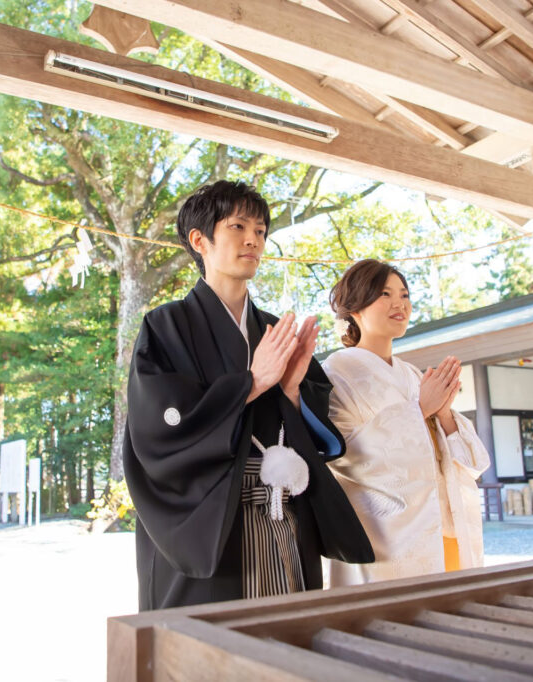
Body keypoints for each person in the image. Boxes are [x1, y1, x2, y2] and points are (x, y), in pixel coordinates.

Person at [123, 181, 373, 611]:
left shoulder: (274, 330)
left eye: (259, 230)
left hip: (285, 517)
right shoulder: (166, 327)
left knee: (289, 638)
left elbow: (315, 435)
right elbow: (157, 433)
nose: (253, 239)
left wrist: (292, 392)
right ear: (200, 241)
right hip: (212, 527)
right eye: (238, 226)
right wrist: (253, 383)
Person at [322, 259, 490, 586]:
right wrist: (419, 411)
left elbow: (468, 465)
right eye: (384, 294)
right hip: (386, 537)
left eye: (404, 294)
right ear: (354, 309)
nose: (400, 303)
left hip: (443, 527)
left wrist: (442, 415)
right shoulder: (335, 373)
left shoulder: (412, 374)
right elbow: (343, 457)